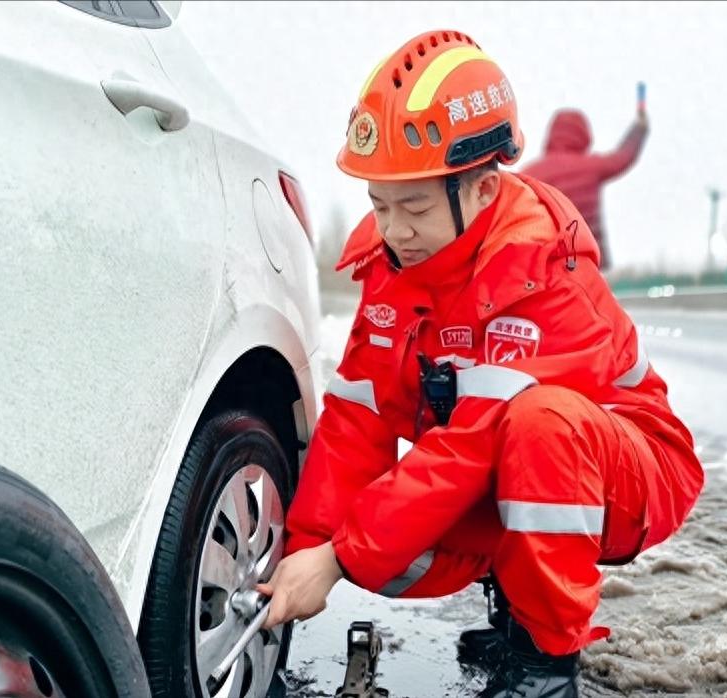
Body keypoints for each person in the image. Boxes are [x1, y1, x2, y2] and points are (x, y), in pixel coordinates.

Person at [257, 29, 703, 697]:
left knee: (535, 424)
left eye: (412, 207)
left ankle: (546, 664)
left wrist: (341, 555)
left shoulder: (539, 275)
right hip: (522, 462)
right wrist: (309, 544)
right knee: (379, 538)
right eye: (378, 205)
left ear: (484, 188)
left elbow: (471, 444)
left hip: (631, 471)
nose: (393, 230)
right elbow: (356, 419)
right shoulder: (395, 267)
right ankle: (518, 601)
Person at [520, 100, 649, 271]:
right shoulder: (591, 167)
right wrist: (639, 128)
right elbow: (623, 157)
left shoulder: (530, 173)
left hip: (546, 263)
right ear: (583, 135)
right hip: (588, 260)